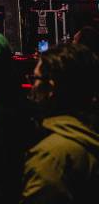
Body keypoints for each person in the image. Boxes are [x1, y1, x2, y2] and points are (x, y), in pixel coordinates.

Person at [22, 43, 99, 203]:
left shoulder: (51, 157)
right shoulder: (88, 135)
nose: (32, 87)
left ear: (51, 87)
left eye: (35, 79)